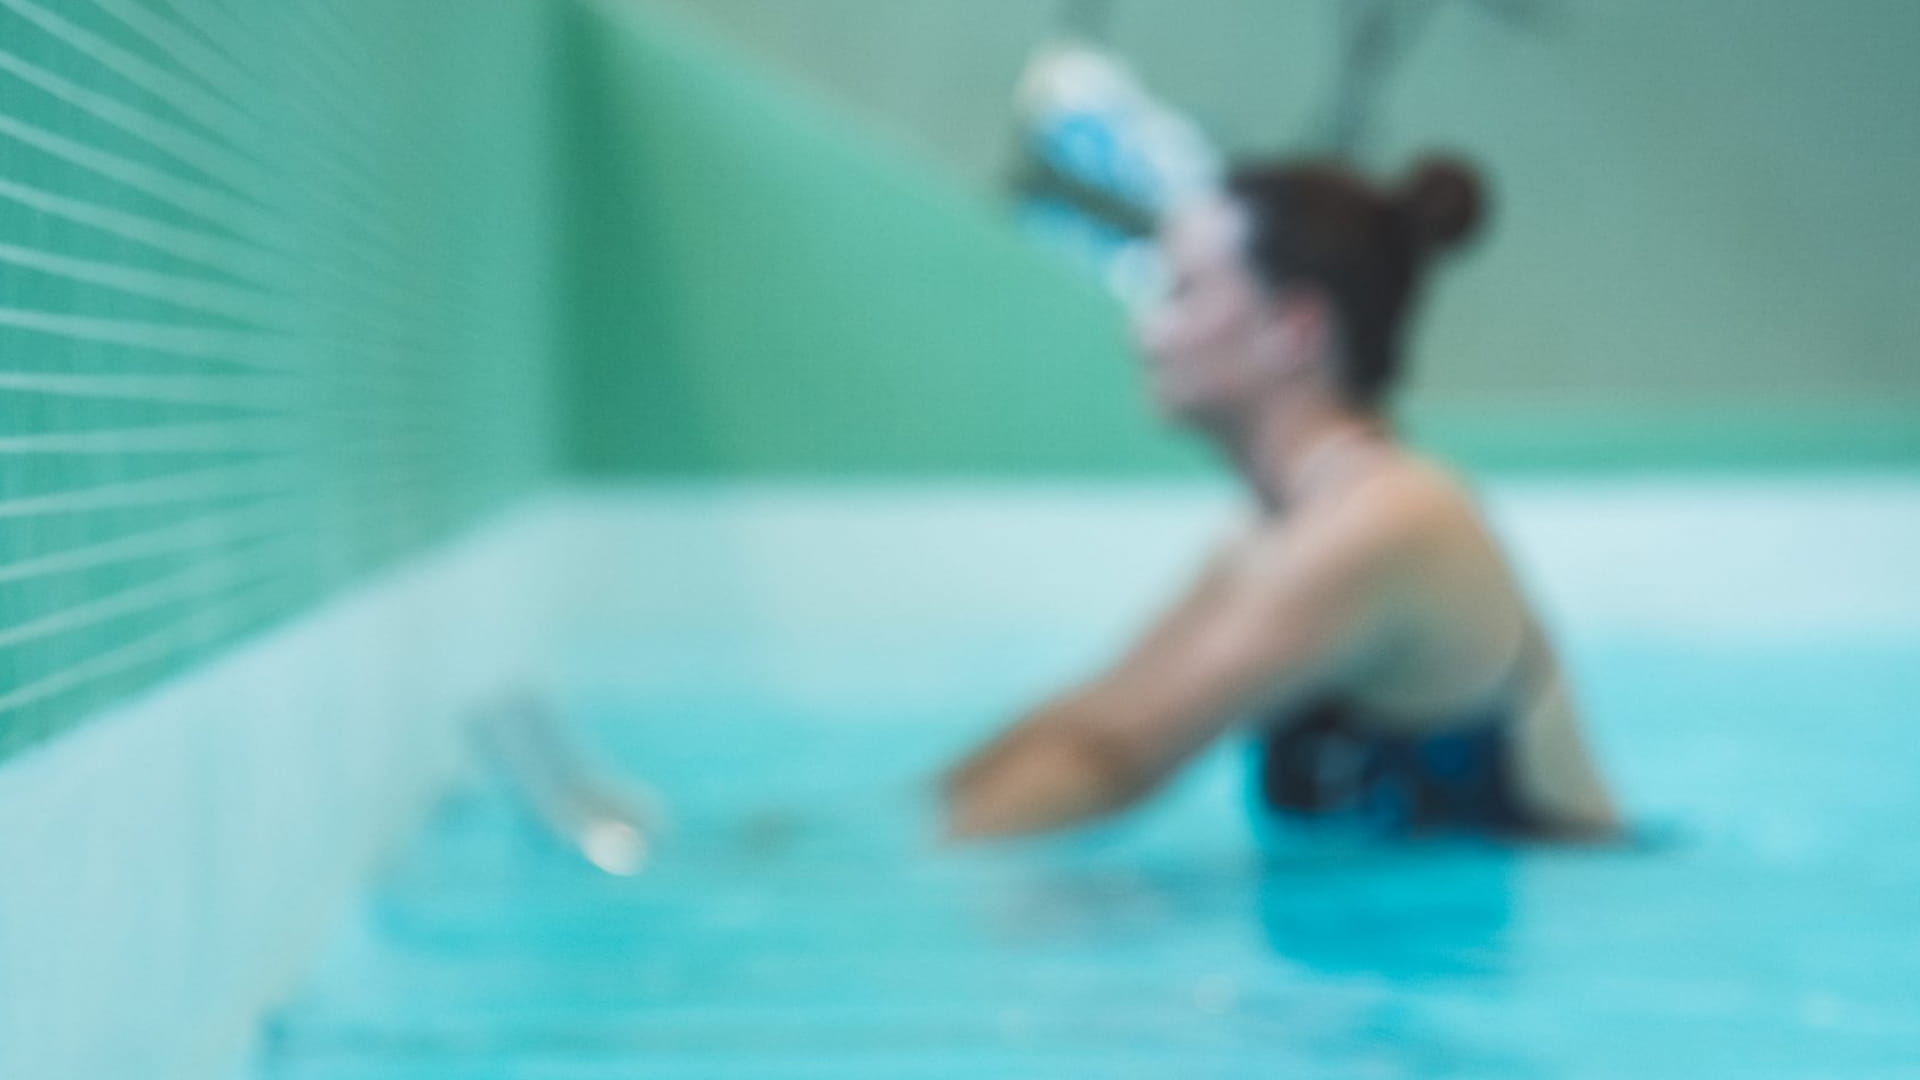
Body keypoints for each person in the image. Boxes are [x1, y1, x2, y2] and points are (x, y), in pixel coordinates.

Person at [943, 156, 1616, 843]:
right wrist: (909, 820)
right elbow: (1096, 713)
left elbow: (1121, 760)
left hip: (1550, 896)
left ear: (1295, 329)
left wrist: (930, 874)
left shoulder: (1391, 521)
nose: (1143, 333)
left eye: (1181, 292)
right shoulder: (1267, 534)